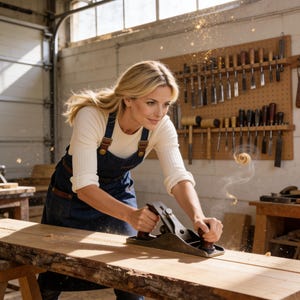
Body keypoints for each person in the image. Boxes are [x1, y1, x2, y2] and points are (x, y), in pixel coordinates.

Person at [38, 60, 223, 300]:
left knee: (132, 275)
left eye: (166, 104)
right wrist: (130, 215)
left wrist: (198, 217)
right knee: (54, 274)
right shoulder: (92, 116)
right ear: (128, 98)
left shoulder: (161, 125)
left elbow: (178, 177)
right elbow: (84, 186)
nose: (160, 113)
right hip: (71, 199)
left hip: (117, 191)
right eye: (151, 103)